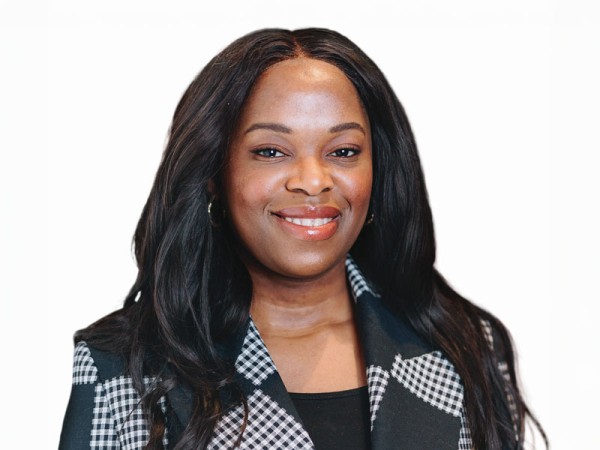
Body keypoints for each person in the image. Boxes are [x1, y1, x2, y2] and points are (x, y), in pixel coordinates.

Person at [59, 28, 546, 450]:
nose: (313, 181)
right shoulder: (121, 368)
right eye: (271, 151)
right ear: (213, 174)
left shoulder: (464, 345)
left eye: (343, 151)